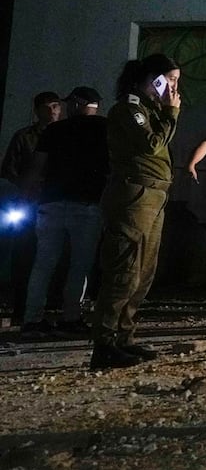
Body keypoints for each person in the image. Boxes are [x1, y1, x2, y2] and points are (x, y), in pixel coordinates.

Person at [91, 54, 181, 370]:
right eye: (169, 80)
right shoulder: (129, 110)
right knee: (124, 270)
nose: (173, 88)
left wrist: (165, 112)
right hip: (134, 195)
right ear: (151, 79)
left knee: (143, 273)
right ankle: (104, 344)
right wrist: (171, 113)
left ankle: (123, 339)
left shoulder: (150, 112)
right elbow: (151, 145)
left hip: (154, 196)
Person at [20, 87, 108, 339]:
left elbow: (37, 166)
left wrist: (27, 194)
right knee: (80, 264)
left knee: (44, 263)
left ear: (78, 104)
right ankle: (71, 318)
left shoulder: (54, 130)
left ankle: (32, 320)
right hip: (88, 205)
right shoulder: (106, 128)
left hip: (52, 204)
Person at [3, 90, 62, 321]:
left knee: (54, 254)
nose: (52, 111)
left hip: (55, 202)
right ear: (36, 111)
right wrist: (28, 185)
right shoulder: (24, 136)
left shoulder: (66, 135)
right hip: (28, 203)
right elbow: (9, 168)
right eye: (47, 107)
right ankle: (21, 307)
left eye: (55, 106)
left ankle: (49, 307)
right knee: (24, 253)